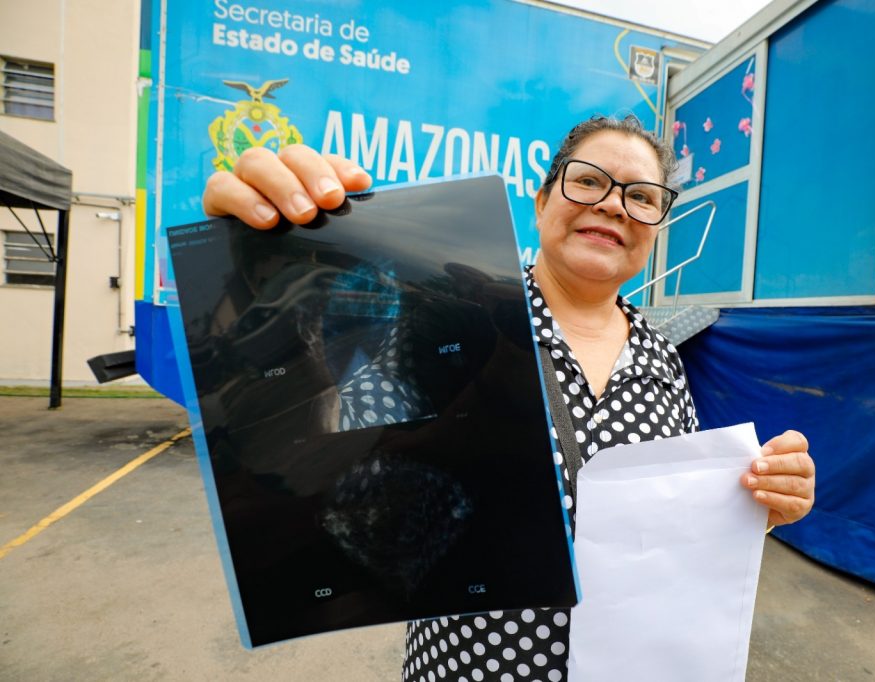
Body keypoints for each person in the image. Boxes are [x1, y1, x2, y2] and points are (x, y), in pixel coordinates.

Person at [203, 114, 816, 681]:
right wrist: (250, 254)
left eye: (642, 197)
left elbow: (672, 518)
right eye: (588, 181)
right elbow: (321, 483)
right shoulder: (447, 319)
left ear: (656, 227)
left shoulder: (661, 358)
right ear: (543, 202)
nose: (613, 204)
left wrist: (752, 508)